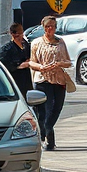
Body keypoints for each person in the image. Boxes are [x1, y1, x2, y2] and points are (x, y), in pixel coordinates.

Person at [28, 15, 72, 151]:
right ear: (43, 27)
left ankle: (47, 131)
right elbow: (31, 62)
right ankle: (49, 137)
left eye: (52, 26)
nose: (50, 29)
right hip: (42, 80)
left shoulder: (61, 42)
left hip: (58, 80)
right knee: (44, 110)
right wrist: (40, 67)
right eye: (47, 26)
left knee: (56, 109)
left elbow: (68, 62)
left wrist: (59, 64)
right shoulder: (36, 43)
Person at [0, 22, 32, 97]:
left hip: (27, 80)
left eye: (21, 33)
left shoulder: (26, 45)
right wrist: (19, 66)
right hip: (15, 80)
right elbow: (3, 65)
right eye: (17, 34)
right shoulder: (6, 49)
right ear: (12, 34)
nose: (20, 37)